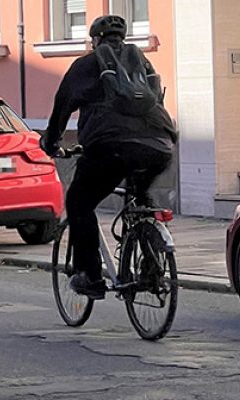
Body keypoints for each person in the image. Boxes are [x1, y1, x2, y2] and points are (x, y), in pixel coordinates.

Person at [40, 15, 178, 300]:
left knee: (79, 202)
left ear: (95, 40)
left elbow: (62, 108)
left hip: (111, 147)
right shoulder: (142, 63)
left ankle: (89, 276)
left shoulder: (87, 66)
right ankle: (150, 260)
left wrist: (51, 142)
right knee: (140, 197)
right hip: (161, 145)